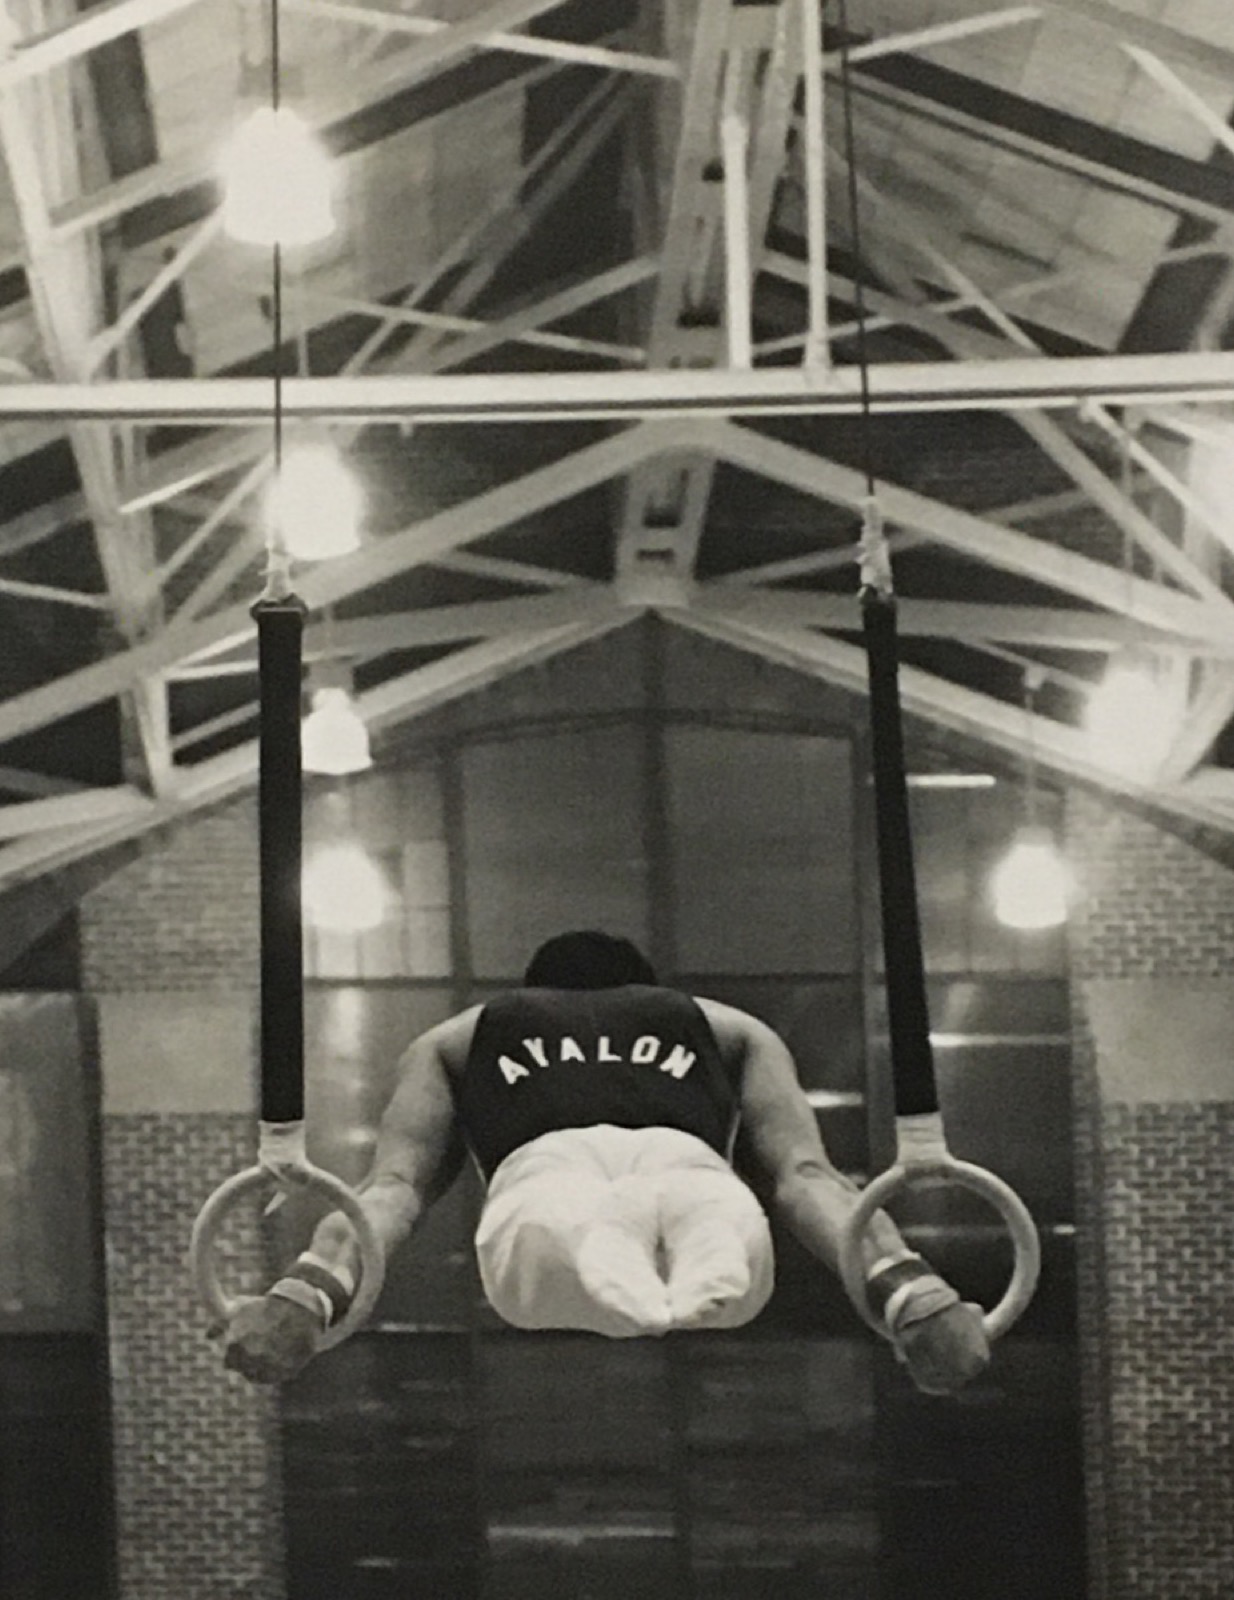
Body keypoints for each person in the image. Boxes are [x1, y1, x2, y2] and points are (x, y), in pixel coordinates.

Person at [221, 930, 989, 1394]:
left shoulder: (461, 1037)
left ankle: (598, 1246)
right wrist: (912, 1288)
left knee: (546, 1245)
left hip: (543, 1178)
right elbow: (808, 1180)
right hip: (688, 1169)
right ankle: (703, 1256)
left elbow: (388, 1193)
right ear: (646, 989)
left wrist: (305, 1294)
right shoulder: (728, 1027)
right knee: (723, 1239)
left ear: (532, 992)